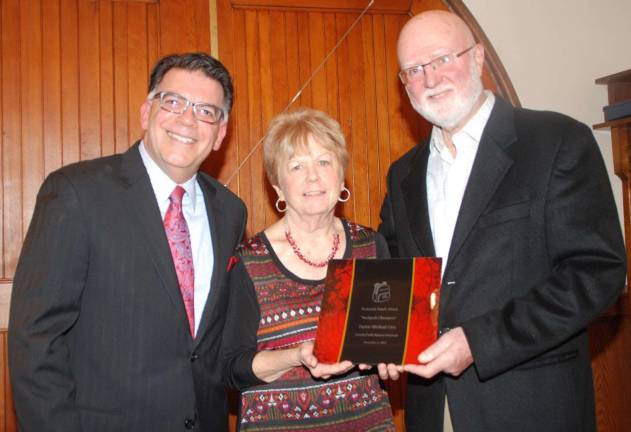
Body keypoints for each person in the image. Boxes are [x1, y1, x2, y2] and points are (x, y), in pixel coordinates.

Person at [377, 10, 626, 432]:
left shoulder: (557, 141)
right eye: (414, 70)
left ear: (477, 58)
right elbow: (396, 271)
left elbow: (596, 273)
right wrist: (382, 336)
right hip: (432, 409)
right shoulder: (403, 173)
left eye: (442, 59)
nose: (430, 79)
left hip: (531, 407)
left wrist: (480, 341)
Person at [8, 53, 247, 431]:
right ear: (146, 113)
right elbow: (36, 340)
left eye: (206, 111)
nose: (188, 119)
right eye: (173, 102)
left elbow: (215, 342)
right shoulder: (76, 192)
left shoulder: (231, 212)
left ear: (220, 133)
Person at [222, 108, 396, 431]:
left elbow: (385, 345)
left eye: (324, 162)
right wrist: (297, 355)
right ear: (277, 187)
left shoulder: (371, 248)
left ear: (341, 175)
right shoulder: (249, 261)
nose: (313, 176)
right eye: (297, 166)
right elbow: (232, 368)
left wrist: (393, 357)